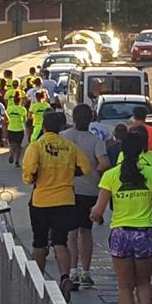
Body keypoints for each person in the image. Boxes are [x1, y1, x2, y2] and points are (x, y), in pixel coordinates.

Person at [90, 131, 152, 304]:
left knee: (124, 286)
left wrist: (93, 215)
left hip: (120, 234)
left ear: (123, 149)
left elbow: (99, 210)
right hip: (144, 233)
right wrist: (150, 208)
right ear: (144, 149)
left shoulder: (111, 175)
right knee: (144, 281)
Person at [22, 111, 91, 302]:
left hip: (41, 201)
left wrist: (32, 178)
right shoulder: (70, 147)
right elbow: (86, 168)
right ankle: (64, 277)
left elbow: (28, 172)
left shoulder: (36, 146)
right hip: (65, 200)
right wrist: (72, 174)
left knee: (40, 242)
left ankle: (38, 280)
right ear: (62, 127)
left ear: (43, 126)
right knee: (61, 241)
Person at [61, 104, 111, 289]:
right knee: (86, 232)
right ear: (91, 120)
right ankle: (86, 273)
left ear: (73, 118)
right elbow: (104, 162)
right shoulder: (95, 140)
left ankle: (72, 271)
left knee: (70, 233)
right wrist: (94, 173)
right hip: (89, 190)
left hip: (68, 189)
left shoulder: (64, 138)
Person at [6, 92, 28, 167]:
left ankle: (12, 152)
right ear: (20, 101)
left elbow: (6, 118)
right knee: (18, 146)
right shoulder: (22, 109)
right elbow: (25, 120)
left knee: (12, 143)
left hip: (11, 128)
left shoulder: (9, 108)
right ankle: (17, 162)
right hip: (19, 128)